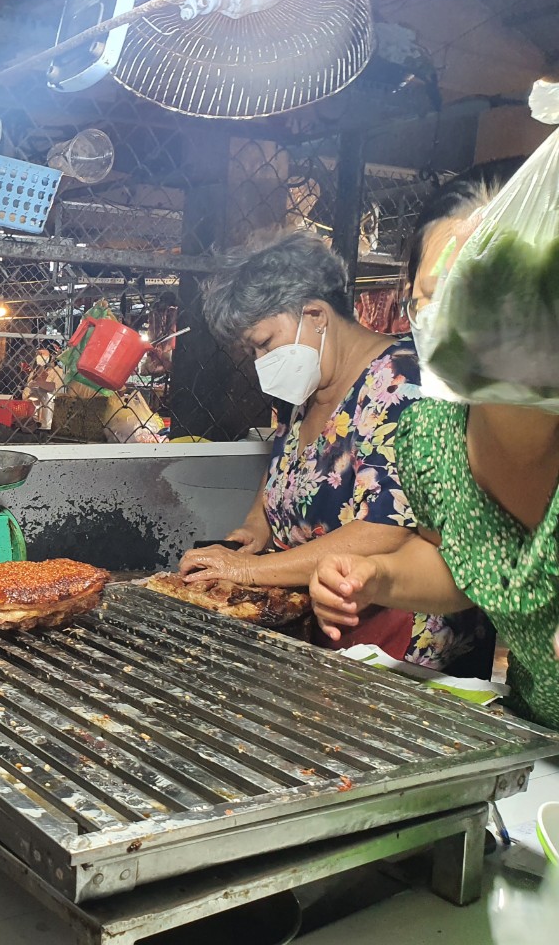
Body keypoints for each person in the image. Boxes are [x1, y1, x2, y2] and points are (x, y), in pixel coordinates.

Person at [312, 179, 559, 730]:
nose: (469, 318)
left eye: (492, 285)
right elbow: (456, 560)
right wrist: (377, 576)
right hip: (538, 736)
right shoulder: (431, 433)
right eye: (439, 294)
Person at [178, 228, 484, 668]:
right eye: (252, 351)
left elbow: (386, 529)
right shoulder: (307, 391)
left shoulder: (402, 383)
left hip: (398, 645)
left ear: (316, 315)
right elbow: (284, 467)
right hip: (326, 631)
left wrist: (249, 570)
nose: (261, 362)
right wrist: (256, 526)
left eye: (264, 343)